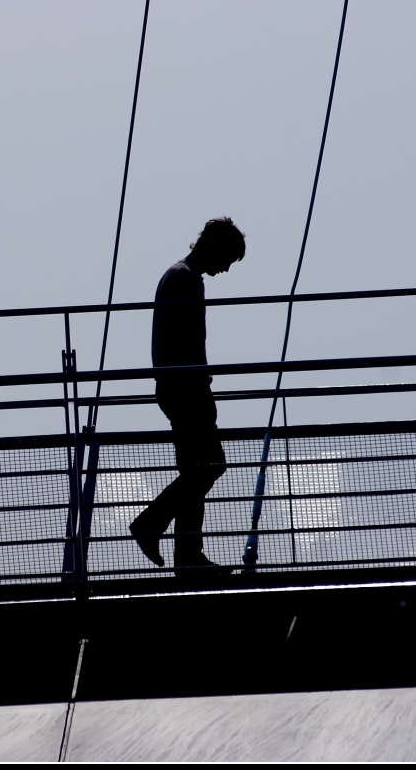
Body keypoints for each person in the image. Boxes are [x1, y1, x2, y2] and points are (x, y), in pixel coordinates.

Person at [129, 216, 245, 575]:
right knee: (210, 465)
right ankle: (153, 524)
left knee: (195, 469)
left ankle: (188, 556)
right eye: (227, 260)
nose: (226, 269)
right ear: (215, 248)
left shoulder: (179, 276)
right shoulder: (186, 279)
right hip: (186, 388)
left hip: (177, 386)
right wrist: (200, 382)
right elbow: (189, 341)